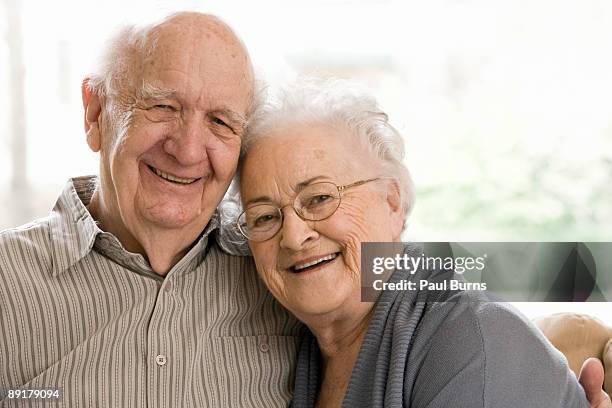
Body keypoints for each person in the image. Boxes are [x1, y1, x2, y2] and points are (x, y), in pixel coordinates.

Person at [233, 77, 612, 407]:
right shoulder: (300, 351)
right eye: (265, 217)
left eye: (319, 198)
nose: (295, 236)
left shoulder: (468, 338)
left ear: (393, 201)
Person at [0, 12, 301, 407]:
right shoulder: (7, 282)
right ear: (95, 114)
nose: (188, 150)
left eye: (220, 121)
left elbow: (392, 292)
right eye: (163, 106)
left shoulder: (283, 269)